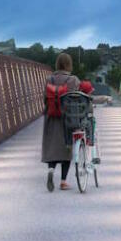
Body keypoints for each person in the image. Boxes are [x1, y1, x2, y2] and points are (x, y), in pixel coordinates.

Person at [42, 52, 80, 191]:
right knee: (67, 148)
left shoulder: (49, 79)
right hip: (68, 118)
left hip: (51, 117)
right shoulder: (73, 79)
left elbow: (45, 99)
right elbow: (78, 98)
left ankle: (51, 170)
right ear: (69, 64)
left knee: (52, 146)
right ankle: (63, 181)